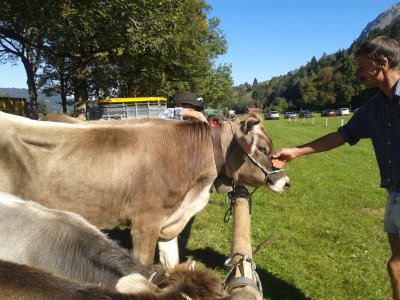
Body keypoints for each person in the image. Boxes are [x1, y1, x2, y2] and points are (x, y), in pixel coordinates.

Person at [272, 36, 400, 299]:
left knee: (396, 267)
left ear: (383, 63)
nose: (357, 73)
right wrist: (296, 151)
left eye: (362, 66)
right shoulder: (373, 107)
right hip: (393, 194)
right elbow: (341, 135)